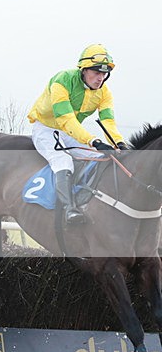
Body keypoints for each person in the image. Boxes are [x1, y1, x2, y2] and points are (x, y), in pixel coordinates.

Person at [28, 43, 128, 225]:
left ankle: (89, 198)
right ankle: (69, 209)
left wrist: (119, 143)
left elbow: (108, 122)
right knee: (63, 161)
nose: (100, 78)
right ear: (83, 70)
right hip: (45, 129)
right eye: (96, 73)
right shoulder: (62, 80)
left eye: (104, 74)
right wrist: (94, 140)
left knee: (101, 157)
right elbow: (66, 119)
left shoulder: (104, 93)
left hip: (69, 132)